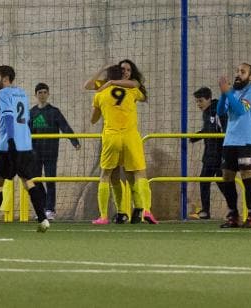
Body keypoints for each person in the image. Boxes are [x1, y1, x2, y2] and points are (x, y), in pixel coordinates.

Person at [0, 65, 50, 233]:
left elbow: (9, 116)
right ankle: (43, 219)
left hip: (8, 146)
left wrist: (10, 139)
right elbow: (25, 118)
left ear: (5, 78)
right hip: (25, 144)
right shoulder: (22, 93)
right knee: (28, 182)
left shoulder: (3, 94)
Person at [90, 65, 157, 225]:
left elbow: (93, 120)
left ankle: (105, 216)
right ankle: (146, 209)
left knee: (107, 176)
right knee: (140, 174)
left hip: (111, 137)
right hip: (130, 137)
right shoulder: (132, 91)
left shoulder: (100, 93)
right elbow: (142, 94)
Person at [217, 63, 251, 228]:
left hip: (245, 141)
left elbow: (241, 110)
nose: (238, 74)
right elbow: (221, 111)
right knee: (227, 177)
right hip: (230, 141)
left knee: (246, 176)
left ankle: (250, 215)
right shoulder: (232, 92)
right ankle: (233, 214)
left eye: (243, 72)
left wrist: (227, 92)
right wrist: (224, 94)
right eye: (237, 71)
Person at [29, 82, 81, 220]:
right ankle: (43, 207)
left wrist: (74, 141)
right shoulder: (32, 113)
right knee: (35, 180)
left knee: (50, 180)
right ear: (35, 95)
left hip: (51, 152)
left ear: (48, 94)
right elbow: (27, 132)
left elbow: (65, 126)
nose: (42, 95)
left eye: (45, 92)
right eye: (39, 92)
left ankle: (50, 210)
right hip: (35, 153)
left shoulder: (54, 112)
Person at [189, 87, 227, 219]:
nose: (199, 104)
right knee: (204, 180)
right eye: (197, 102)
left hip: (220, 152)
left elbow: (221, 130)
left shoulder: (218, 110)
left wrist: (225, 153)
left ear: (209, 99)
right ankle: (205, 211)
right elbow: (208, 130)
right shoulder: (206, 113)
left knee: (222, 180)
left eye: (201, 101)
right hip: (210, 153)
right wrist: (196, 136)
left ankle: (232, 209)